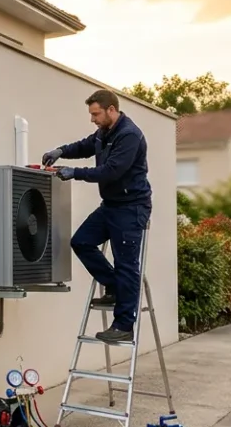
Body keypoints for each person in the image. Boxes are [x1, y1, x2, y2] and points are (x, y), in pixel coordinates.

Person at [41, 89, 152, 344]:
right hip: (111, 205)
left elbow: (111, 171)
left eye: (96, 114)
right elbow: (85, 145)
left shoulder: (129, 135)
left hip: (131, 207)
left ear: (111, 110)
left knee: (126, 265)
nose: (93, 119)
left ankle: (123, 324)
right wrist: (60, 151)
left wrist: (74, 173)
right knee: (81, 241)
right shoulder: (105, 132)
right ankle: (113, 286)